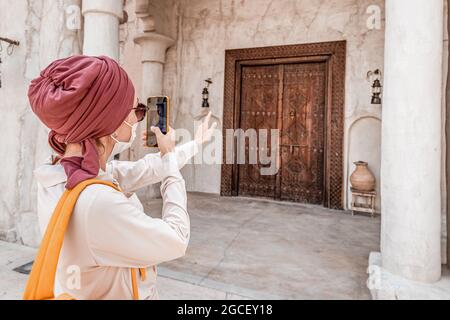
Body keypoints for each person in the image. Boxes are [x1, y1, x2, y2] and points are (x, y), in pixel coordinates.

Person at [28, 55, 216, 300]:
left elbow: (145, 169)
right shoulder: (97, 201)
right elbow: (176, 238)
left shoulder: (59, 175)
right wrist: (168, 156)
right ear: (112, 123)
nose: (139, 119)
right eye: (137, 111)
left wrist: (195, 144)